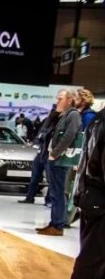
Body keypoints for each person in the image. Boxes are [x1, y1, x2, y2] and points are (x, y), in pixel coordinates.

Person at [61, 106, 105, 279]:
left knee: (97, 253)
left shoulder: (99, 119)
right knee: (93, 253)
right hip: (99, 197)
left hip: (93, 194)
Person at [36, 89, 83, 236]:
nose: (57, 101)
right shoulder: (62, 115)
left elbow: (69, 135)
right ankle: (54, 223)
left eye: (60, 99)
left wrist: (55, 154)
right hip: (53, 158)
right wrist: (54, 113)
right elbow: (45, 129)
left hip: (59, 160)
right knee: (55, 193)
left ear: (69, 100)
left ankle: (57, 225)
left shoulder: (73, 115)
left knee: (58, 193)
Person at [66, 89, 97, 225]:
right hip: (77, 157)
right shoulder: (82, 115)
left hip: (79, 158)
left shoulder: (88, 117)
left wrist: (79, 160)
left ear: (83, 100)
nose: (74, 100)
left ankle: (68, 217)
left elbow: (85, 140)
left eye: (77, 98)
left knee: (73, 187)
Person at [19, 104, 60, 205]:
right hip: (41, 152)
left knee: (51, 179)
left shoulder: (59, 123)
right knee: (35, 177)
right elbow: (40, 134)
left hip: (49, 153)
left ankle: (48, 200)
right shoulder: (46, 121)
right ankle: (30, 197)